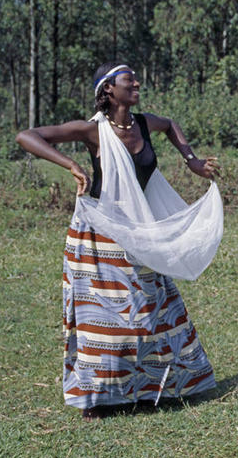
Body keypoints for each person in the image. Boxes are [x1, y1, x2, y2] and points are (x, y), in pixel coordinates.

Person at [15, 62, 221, 419]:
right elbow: (27, 136)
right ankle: (98, 398)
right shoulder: (93, 130)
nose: (137, 83)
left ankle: (149, 390)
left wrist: (192, 160)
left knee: (151, 310)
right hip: (99, 234)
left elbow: (171, 124)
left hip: (139, 230)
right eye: (129, 80)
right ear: (109, 89)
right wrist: (70, 166)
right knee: (105, 318)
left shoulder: (142, 123)